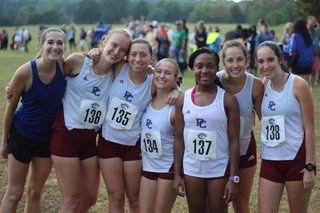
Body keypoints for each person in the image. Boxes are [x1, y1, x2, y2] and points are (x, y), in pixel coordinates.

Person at [50, 29, 132, 213]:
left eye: (122, 50)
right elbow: (47, 76)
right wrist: (15, 85)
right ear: (104, 41)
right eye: (114, 45)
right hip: (65, 137)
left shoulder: (117, 71)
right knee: (71, 201)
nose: (116, 51)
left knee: (89, 199)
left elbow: (147, 71)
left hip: (89, 142)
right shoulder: (78, 61)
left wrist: (175, 87)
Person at [96, 38, 179, 213]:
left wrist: (176, 91)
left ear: (151, 58)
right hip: (108, 142)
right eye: (133, 54)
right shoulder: (119, 68)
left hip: (133, 147)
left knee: (134, 198)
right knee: (116, 197)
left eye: (143, 55)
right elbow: (101, 59)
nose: (137, 59)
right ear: (126, 56)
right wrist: (93, 52)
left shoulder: (153, 81)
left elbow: (170, 84)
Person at [0, 28, 67, 213]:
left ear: (65, 47)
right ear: (41, 46)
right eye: (50, 42)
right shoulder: (25, 72)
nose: (55, 47)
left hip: (46, 139)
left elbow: (94, 61)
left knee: (35, 192)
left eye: (59, 43)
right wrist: (4, 140)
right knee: (14, 193)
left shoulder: (64, 66)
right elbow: (11, 107)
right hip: (22, 135)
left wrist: (94, 53)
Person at [173, 47, 240, 213]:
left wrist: (233, 178)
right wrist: (177, 174)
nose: (205, 70)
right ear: (192, 69)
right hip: (191, 169)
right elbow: (179, 138)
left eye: (210, 66)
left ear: (217, 68)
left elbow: (234, 141)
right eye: (199, 66)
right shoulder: (183, 99)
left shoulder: (228, 100)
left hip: (219, 169)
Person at [255, 41, 316, 213]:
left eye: (270, 60)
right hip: (270, 160)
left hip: (296, 160)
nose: (266, 66)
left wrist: (310, 167)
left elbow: (310, 129)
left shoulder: (298, 84)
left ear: (280, 59)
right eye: (261, 61)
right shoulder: (262, 85)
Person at [217, 40, 264, 213]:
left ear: (247, 60)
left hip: (245, 148)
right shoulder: (213, 81)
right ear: (223, 62)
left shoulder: (256, 85)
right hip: (217, 152)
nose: (235, 65)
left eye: (239, 60)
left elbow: (265, 121)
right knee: (216, 202)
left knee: (240, 202)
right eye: (230, 60)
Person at [139, 58, 180, 213]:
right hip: (148, 165)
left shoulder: (176, 106)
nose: (162, 76)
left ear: (176, 79)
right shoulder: (146, 99)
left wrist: (179, 173)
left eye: (168, 73)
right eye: (159, 71)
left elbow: (182, 140)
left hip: (167, 166)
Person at [307, 16, 320, 92]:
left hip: (316, 53)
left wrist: (317, 26)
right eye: (312, 22)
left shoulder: (316, 31)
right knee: (310, 71)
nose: (313, 23)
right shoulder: (307, 31)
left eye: (314, 21)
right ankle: (308, 86)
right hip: (309, 54)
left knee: (315, 71)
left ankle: (312, 87)